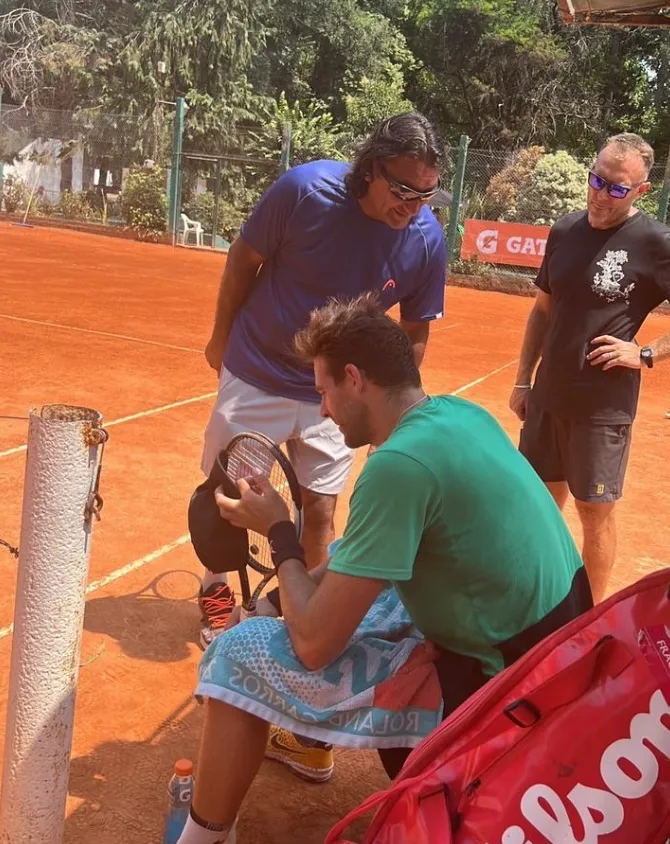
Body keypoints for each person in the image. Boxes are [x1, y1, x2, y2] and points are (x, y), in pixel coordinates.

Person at [175, 295, 592, 844]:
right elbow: (371, 550)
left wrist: (279, 530)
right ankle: (307, 741)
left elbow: (315, 646)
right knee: (354, 593)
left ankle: (202, 839)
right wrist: (284, 596)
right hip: (562, 665)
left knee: (237, 651)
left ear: (354, 379)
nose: (321, 409)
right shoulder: (456, 414)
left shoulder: (397, 467)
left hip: (503, 700)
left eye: (323, 391)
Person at [197, 112, 448, 651]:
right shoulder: (304, 191)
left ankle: (297, 610)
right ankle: (216, 587)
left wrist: (395, 421)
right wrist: (221, 338)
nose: (413, 206)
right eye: (403, 189)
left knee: (322, 508)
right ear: (370, 168)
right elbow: (243, 259)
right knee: (229, 495)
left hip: (338, 394)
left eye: (426, 195)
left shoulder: (425, 239)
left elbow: (414, 333)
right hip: (258, 370)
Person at [510, 132, 670, 603]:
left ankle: (591, 623)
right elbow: (541, 311)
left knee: (594, 513)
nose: (601, 194)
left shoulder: (655, 242)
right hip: (547, 399)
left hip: (603, 410)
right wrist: (523, 380)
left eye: (617, 188)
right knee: (537, 508)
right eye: (597, 180)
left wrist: (643, 354)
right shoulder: (564, 231)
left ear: (641, 191)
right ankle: (531, 606)